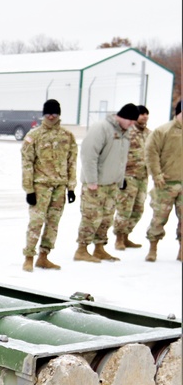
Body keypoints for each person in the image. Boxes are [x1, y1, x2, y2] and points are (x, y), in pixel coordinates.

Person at [73, 102, 139, 263]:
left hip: (112, 184)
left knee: (106, 218)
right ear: (122, 117)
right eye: (130, 120)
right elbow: (89, 156)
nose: (132, 124)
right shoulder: (101, 128)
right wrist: (92, 181)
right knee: (91, 216)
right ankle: (81, 249)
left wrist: (120, 179)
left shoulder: (125, 132)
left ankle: (99, 248)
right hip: (96, 184)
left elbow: (121, 158)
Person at [20, 99, 77, 271]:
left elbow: (72, 162)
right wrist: (29, 189)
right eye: (48, 113)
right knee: (36, 222)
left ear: (59, 114)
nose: (51, 116)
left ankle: (44, 256)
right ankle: (29, 256)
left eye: (54, 113)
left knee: (53, 223)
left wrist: (71, 188)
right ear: (44, 114)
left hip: (59, 187)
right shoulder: (34, 136)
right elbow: (27, 163)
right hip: (41, 187)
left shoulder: (67, 136)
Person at [143, 100, 183, 262]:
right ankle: (153, 248)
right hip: (166, 183)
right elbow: (151, 152)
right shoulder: (163, 131)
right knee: (159, 218)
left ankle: (181, 250)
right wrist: (156, 174)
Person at [114, 105, 151, 250]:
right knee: (124, 209)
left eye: (146, 114)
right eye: (142, 114)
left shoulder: (149, 134)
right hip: (128, 176)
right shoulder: (127, 132)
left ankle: (126, 236)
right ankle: (119, 238)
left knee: (138, 209)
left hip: (143, 177)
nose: (145, 116)